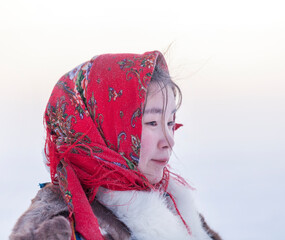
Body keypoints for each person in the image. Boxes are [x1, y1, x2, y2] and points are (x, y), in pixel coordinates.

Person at [10, 51, 221, 240]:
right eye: (152, 123)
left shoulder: (177, 210)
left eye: (170, 123)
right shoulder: (58, 229)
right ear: (102, 128)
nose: (169, 141)